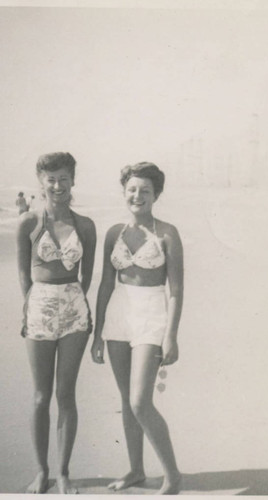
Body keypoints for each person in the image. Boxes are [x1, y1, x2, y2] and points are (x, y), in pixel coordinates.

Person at [91, 162, 184, 495]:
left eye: (145, 190)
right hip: (119, 313)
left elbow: (175, 290)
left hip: (151, 315)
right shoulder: (115, 232)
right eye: (132, 189)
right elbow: (104, 284)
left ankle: (172, 474)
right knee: (126, 399)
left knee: (139, 401)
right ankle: (136, 469)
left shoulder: (168, 233)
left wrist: (171, 336)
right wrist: (97, 333)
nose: (138, 195)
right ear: (124, 191)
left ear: (156, 194)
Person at [16, 152, 96, 494]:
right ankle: (41, 471)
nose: (57, 185)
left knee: (66, 395)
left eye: (64, 178)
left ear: (73, 180)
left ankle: (63, 472)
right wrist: (30, 304)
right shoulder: (28, 221)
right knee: (39, 396)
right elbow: (23, 270)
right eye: (51, 179)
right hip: (39, 307)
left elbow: (88, 272)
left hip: (74, 309)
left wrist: (77, 301)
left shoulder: (85, 225)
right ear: (40, 182)